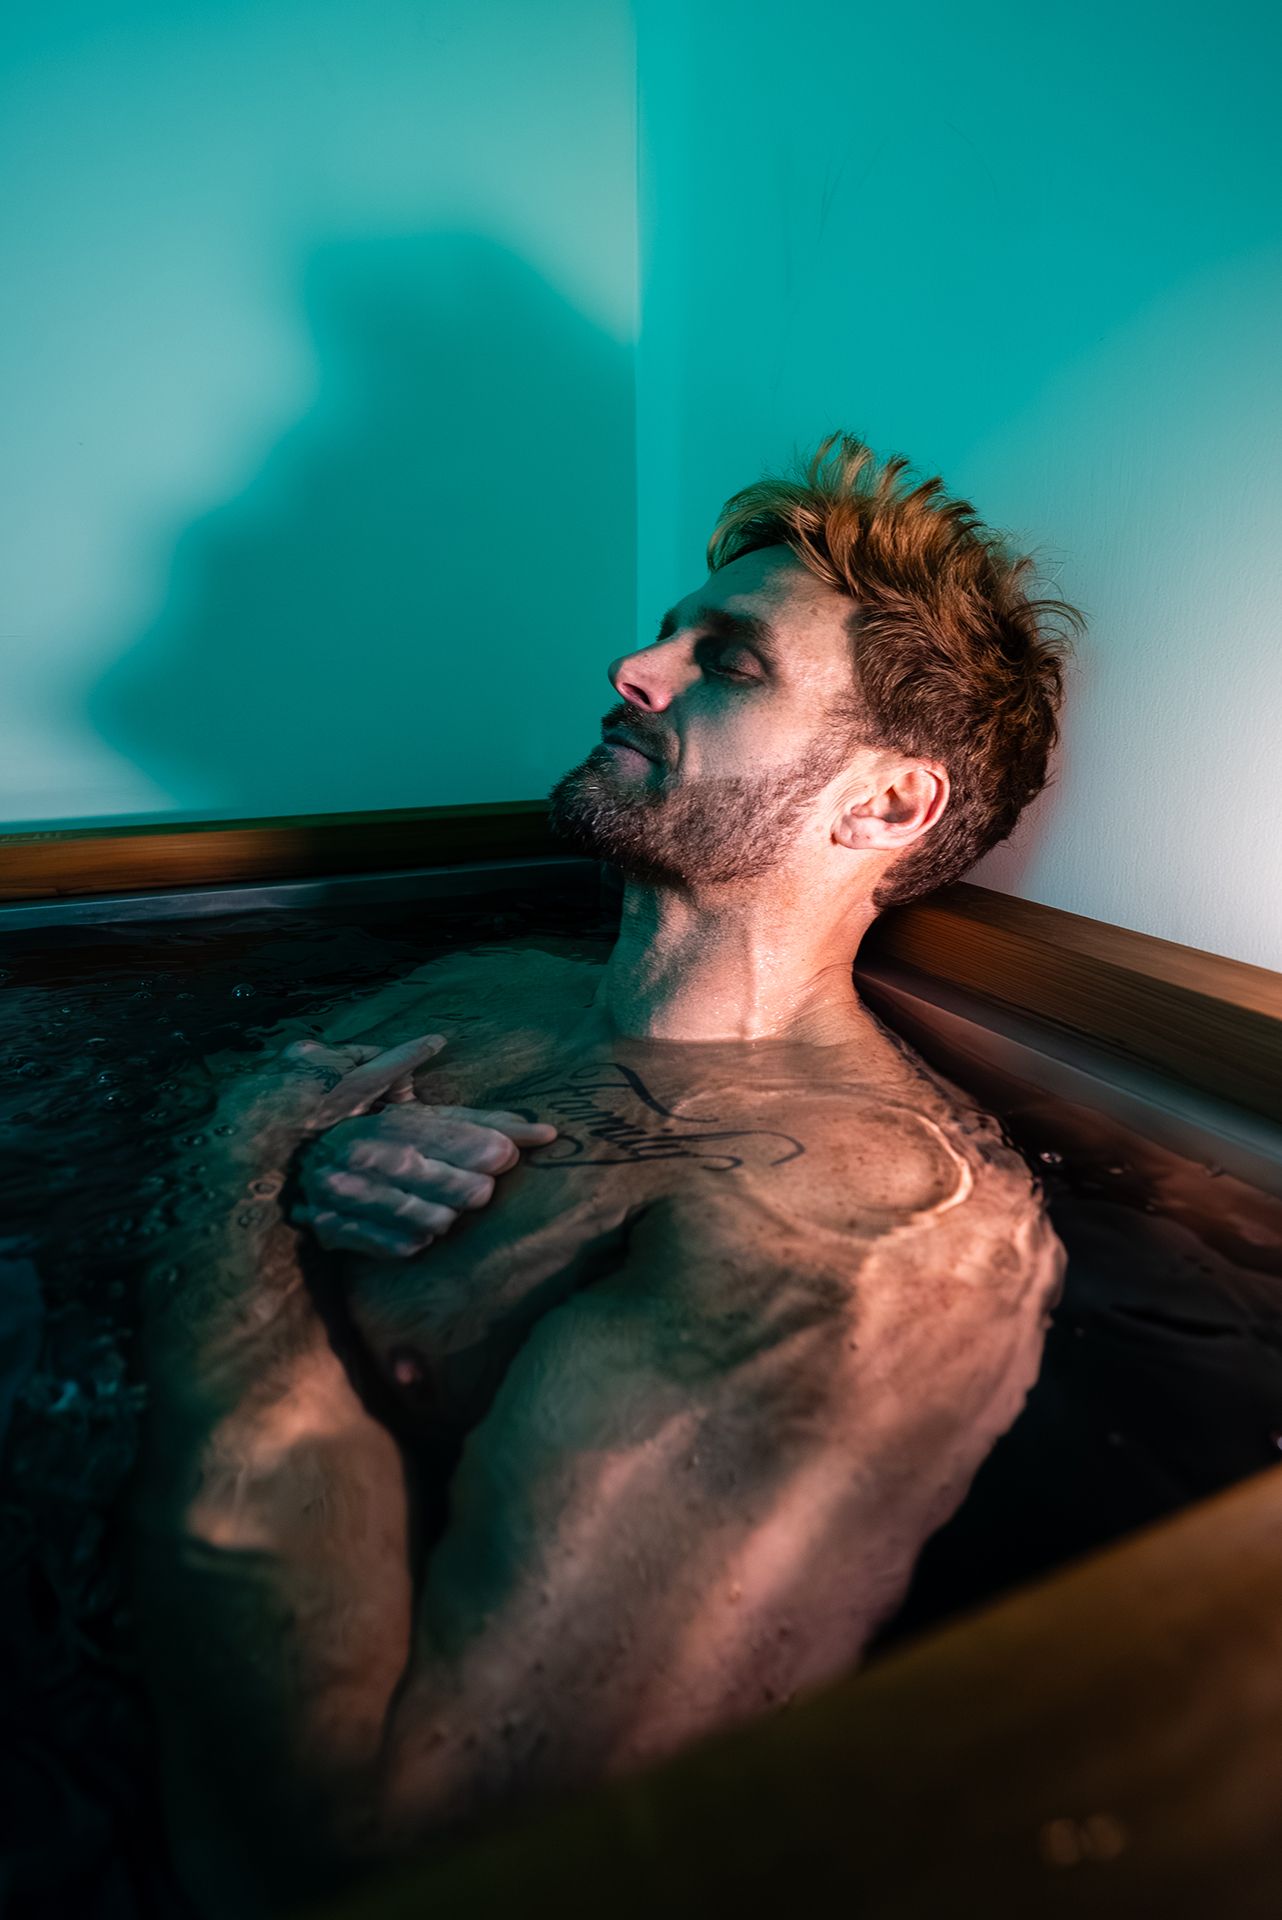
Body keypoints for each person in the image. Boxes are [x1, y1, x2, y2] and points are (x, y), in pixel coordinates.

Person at [131, 432, 1084, 1916]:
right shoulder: (501, 987)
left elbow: (385, 1851)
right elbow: (205, 1107)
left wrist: (246, 1191)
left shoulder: (851, 1239)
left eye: (731, 662)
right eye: (665, 634)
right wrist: (257, 1143)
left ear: (882, 805)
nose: (635, 667)